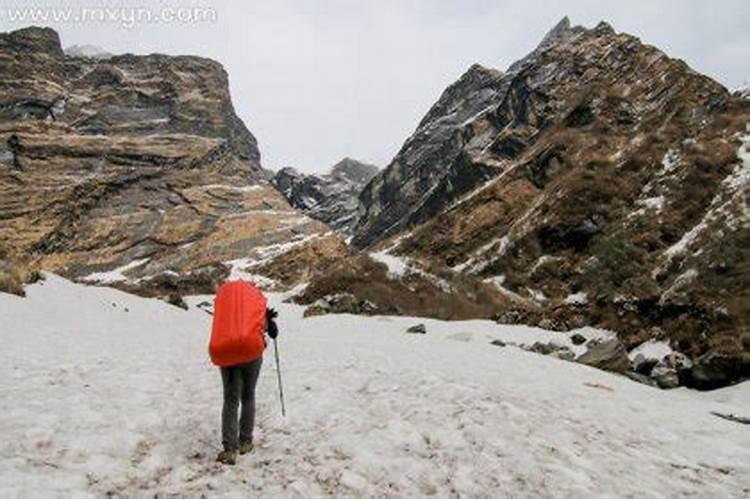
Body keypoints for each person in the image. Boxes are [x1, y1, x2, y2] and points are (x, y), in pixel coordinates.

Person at [209, 280, 279, 466]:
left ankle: (230, 449)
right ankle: (245, 441)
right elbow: (265, 327)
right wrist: (270, 323)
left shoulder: (225, 303)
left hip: (227, 351)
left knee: (230, 400)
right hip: (251, 352)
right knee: (248, 395)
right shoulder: (254, 303)